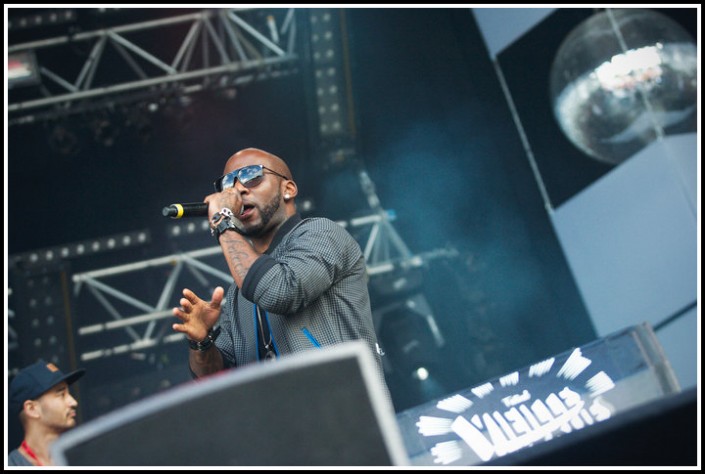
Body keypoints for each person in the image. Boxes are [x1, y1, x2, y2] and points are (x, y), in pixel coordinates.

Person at [171, 147, 390, 399]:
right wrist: (201, 342)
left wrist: (223, 219)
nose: (237, 189)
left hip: (344, 417)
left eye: (252, 175)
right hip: (280, 430)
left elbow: (280, 292)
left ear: (288, 189)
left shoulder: (322, 234)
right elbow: (215, 378)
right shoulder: (238, 294)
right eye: (227, 183)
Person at [7, 359, 86, 466]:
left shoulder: (85, 456)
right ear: (31, 409)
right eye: (61, 394)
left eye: (69, 394)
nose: (73, 402)